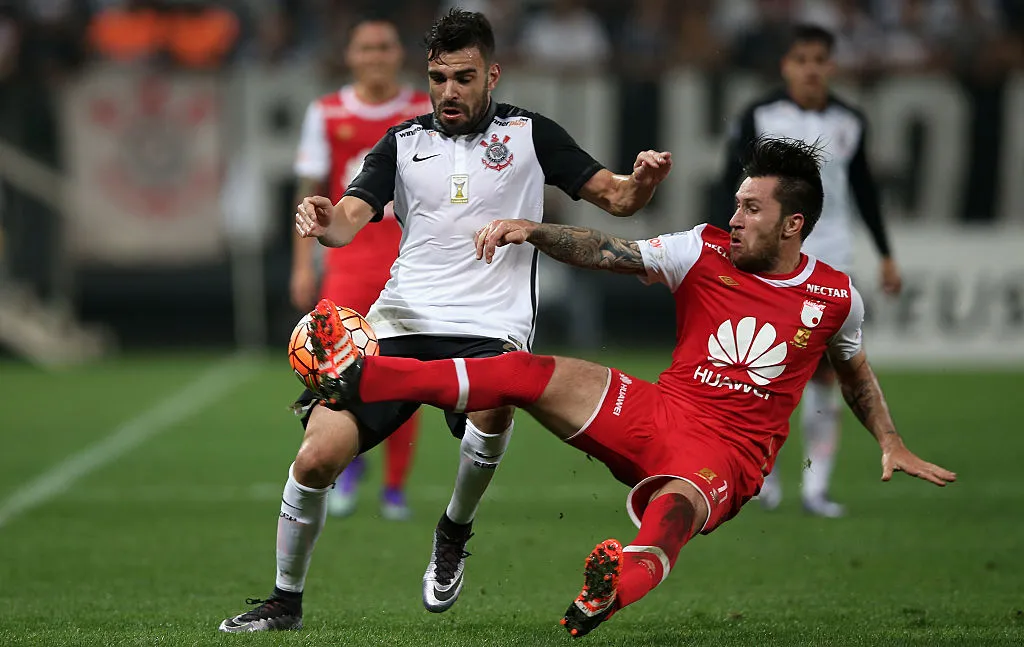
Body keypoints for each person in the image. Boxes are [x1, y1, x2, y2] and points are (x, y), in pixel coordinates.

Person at [306, 136, 956, 639]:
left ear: (792, 225)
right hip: (658, 410)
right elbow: (608, 250)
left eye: (751, 208)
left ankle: (612, 586)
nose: (734, 217)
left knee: (668, 517)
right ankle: (364, 371)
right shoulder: (701, 250)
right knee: (527, 372)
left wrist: (890, 439)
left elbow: (855, 373)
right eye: (736, 202)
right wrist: (533, 231)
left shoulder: (835, 296)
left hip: (727, 455)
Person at [219, 8, 672, 632]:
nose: (449, 91)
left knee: (495, 401)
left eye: (464, 77)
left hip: (492, 324)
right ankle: (283, 601)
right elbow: (351, 217)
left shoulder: (531, 135)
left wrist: (642, 182)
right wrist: (325, 222)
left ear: (493, 74)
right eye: (438, 77)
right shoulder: (403, 143)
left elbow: (617, 198)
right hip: (400, 321)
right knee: (316, 457)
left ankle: (454, 528)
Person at [716, 24, 903, 518]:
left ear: (831, 65)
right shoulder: (760, 115)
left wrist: (885, 253)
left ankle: (815, 487)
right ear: (786, 66)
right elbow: (729, 183)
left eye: (820, 59)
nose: (811, 68)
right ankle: (765, 482)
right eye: (801, 59)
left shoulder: (850, 120)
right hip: (768, 258)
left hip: (832, 259)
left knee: (826, 373)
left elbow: (864, 190)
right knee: (761, 368)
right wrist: (726, 241)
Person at [291, 17, 432, 522]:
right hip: (347, 261)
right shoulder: (326, 112)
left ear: (399, 54)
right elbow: (307, 192)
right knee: (340, 368)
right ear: (350, 56)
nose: (375, 56)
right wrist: (302, 263)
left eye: (384, 47)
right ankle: (348, 465)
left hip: (410, 261)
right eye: (366, 48)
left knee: (406, 373)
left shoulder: (424, 109)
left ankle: (395, 486)